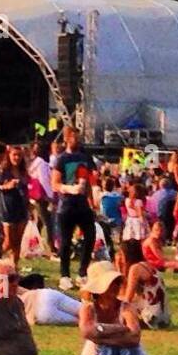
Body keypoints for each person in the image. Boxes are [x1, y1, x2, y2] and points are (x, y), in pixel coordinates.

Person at [76, 261, 155, 355]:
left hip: (126, 354)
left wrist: (101, 333)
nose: (116, 287)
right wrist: (120, 329)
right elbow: (87, 331)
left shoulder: (126, 307)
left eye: (117, 283)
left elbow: (135, 336)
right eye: (112, 283)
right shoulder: (88, 308)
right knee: (94, 349)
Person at [52, 125, 98, 291]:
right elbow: (55, 183)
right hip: (66, 205)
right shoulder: (61, 159)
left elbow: (89, 181)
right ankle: (65, 275)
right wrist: (69, 188)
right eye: (72, 137)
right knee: (65, 241)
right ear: (66, 138)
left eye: (77, 136)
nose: (76, 140)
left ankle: (83, 273)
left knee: (90, 236)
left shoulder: (85, 157)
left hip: (83, 204)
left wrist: (92, 201)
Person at [118, 237, 170, 329]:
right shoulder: (147, 265)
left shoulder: (135, 269)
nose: (120, 259)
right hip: (163, 316)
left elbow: (127, 298)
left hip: (151, 316)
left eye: (121, 255)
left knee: (116, 306)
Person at [0, 143, 30, 266]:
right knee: (8, 241)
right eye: (14, 155)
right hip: (7, 208)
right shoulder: (3, 171)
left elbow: (27, 189)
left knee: (18, 242)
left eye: (19, 155)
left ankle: (14, 267)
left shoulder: (23, 172)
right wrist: (7, 186)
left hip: (21, 208)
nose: (17, 158)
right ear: (9, 155)